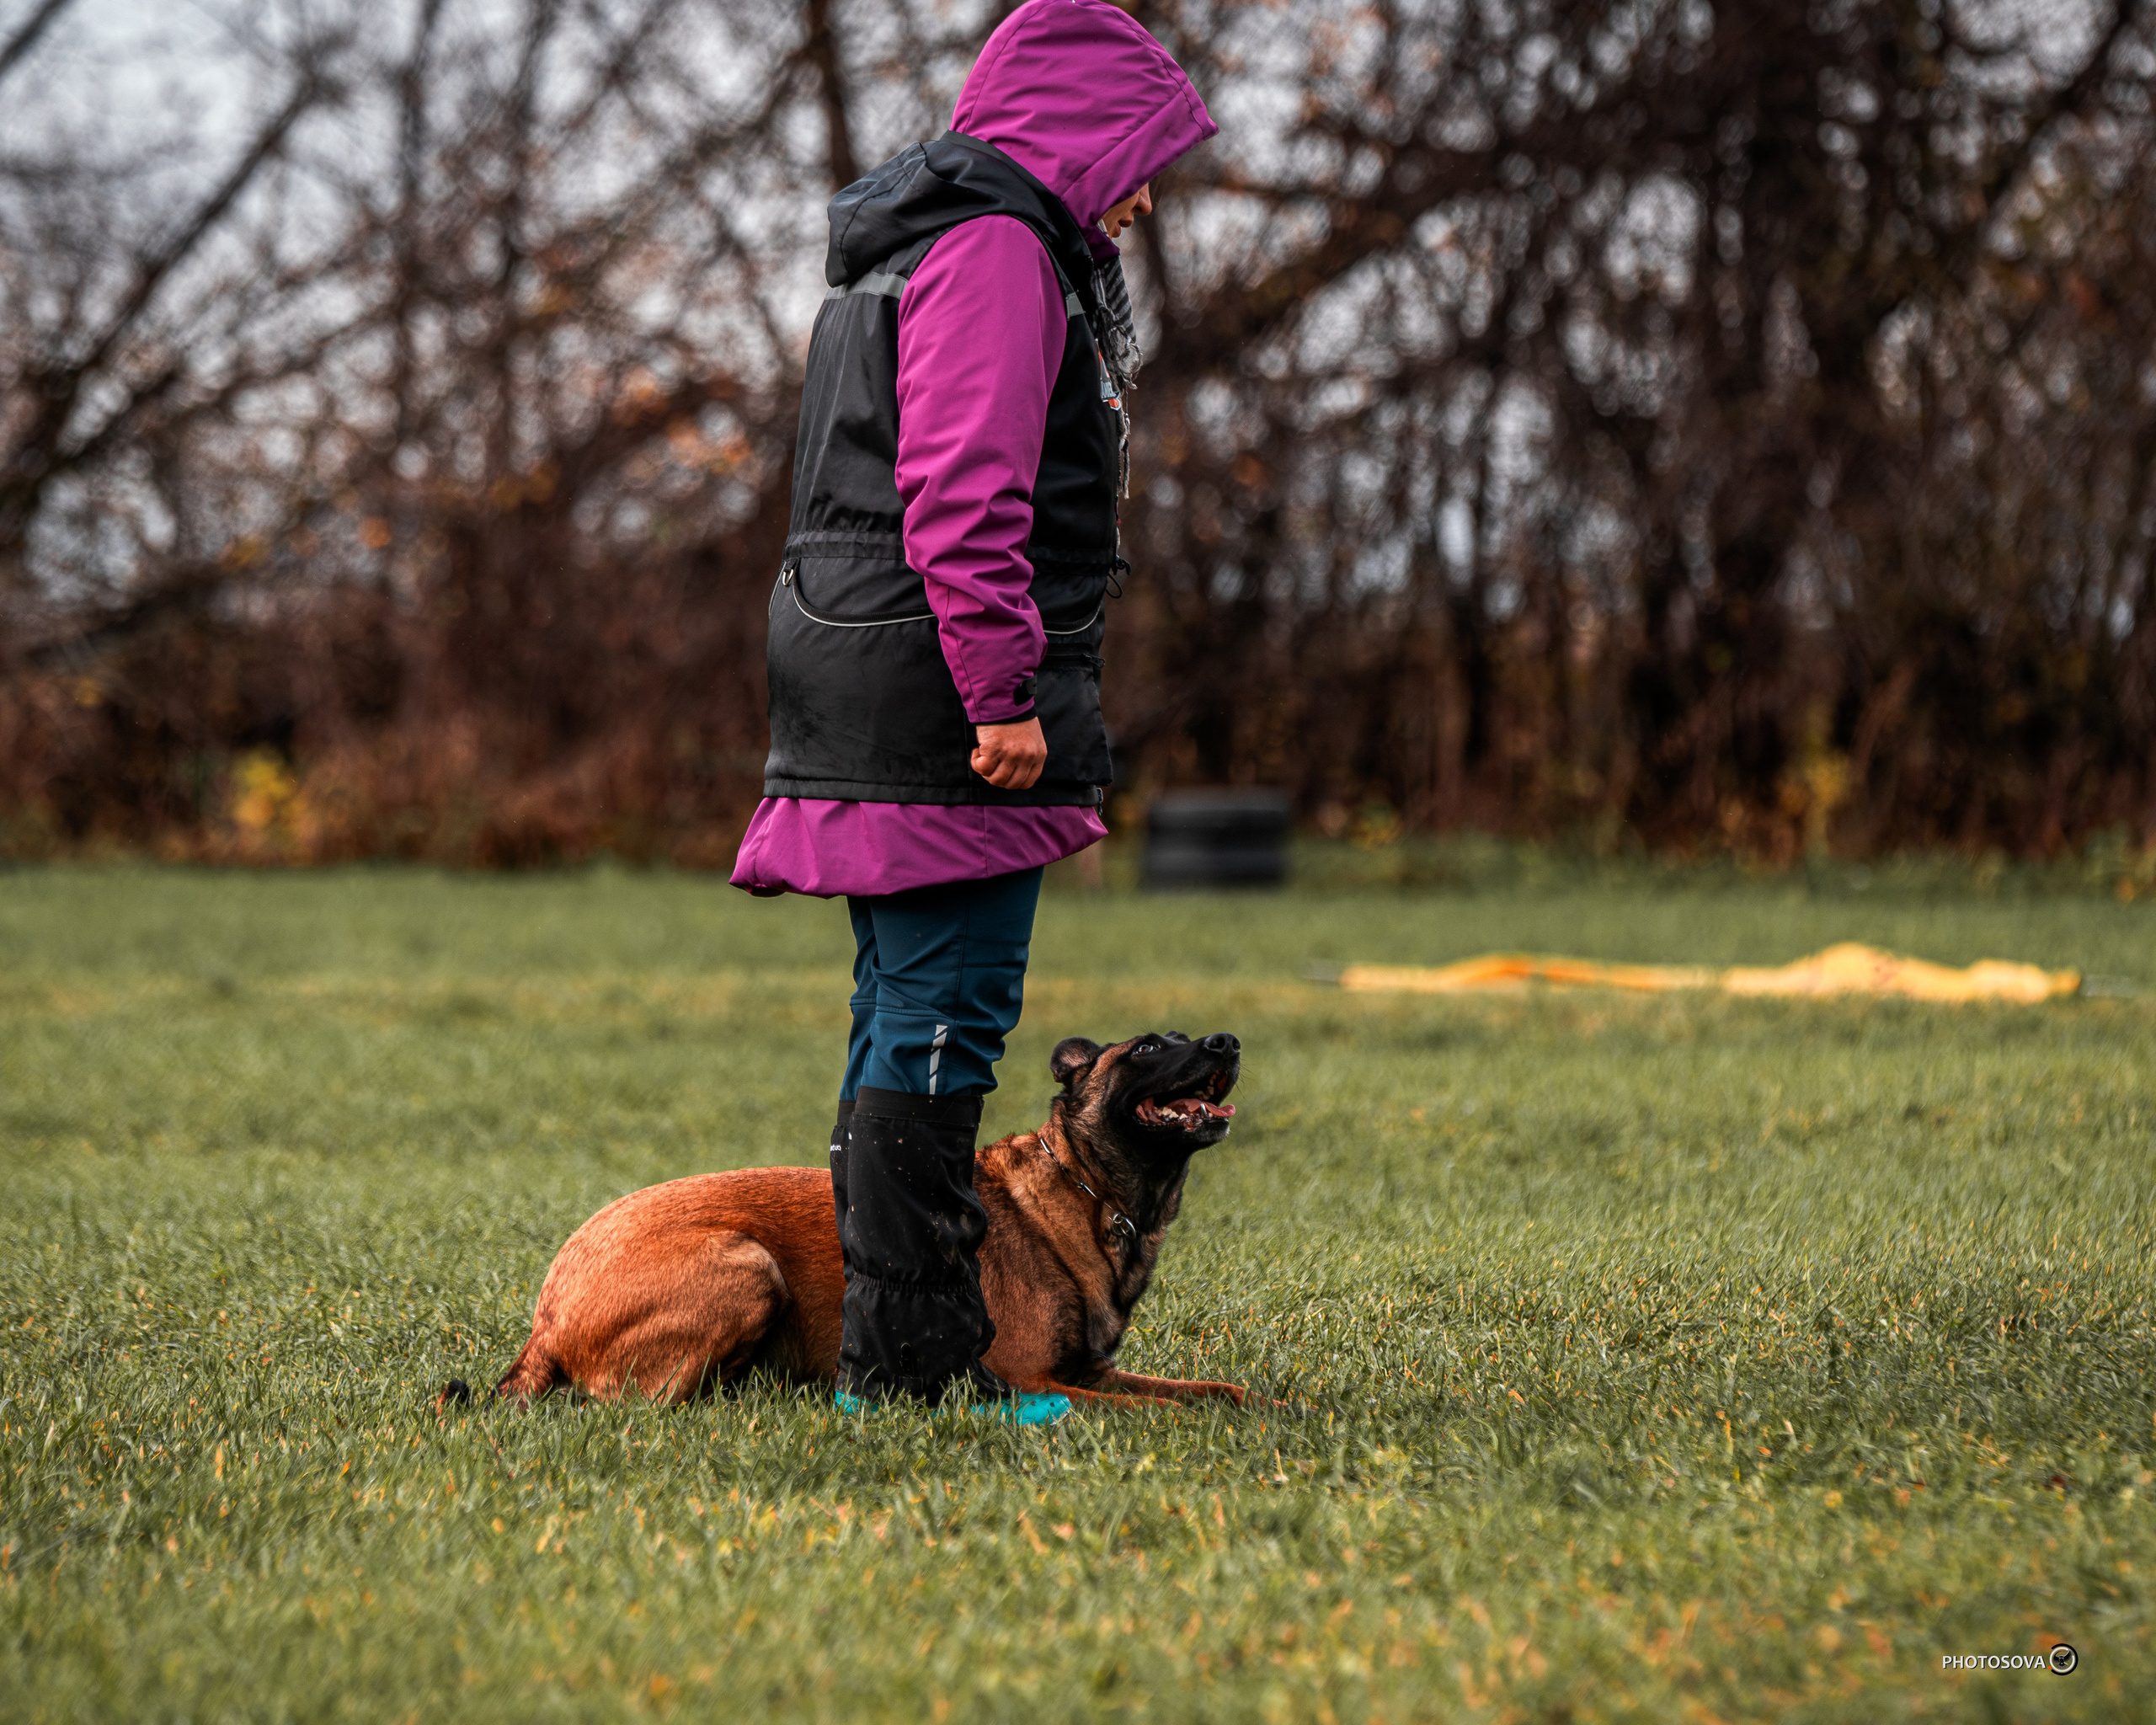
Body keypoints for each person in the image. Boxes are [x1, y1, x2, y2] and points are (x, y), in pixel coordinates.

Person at [729, 0, 1217, 1424]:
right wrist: (1001, 692)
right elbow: (962, 488)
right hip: (941, 694)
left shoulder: (928, 249)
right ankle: (918, 1376)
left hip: (869, 667)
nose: (1140, 193)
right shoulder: (999, 252)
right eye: (1134, 159)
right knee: (945, 1019)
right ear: (1071, 138)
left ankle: (901, 1363)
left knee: (907, 1018)